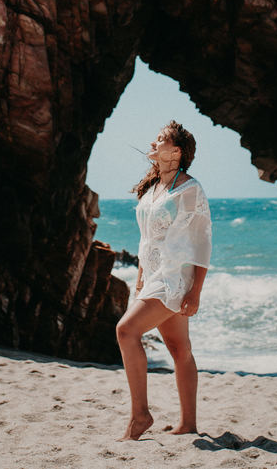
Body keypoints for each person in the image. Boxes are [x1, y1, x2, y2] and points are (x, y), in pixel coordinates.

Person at [115, 120, 212, 441]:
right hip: (153, 276)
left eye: (161, 140)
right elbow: (147, 239)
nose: (153, 144)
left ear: (177, 151)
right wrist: (140, 278)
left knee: (126, 331)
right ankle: (188, 424)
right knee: (179, 348)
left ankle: (140, 415)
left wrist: (195, 292)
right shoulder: (154, 188)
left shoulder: (190, 190)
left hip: (174, 280)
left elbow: (201, 243)